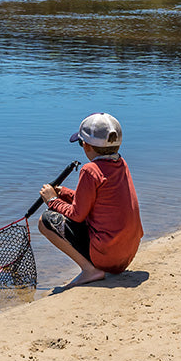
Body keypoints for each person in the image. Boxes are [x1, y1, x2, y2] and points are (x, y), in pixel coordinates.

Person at [38, 112, 143, 288]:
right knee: (70, 213)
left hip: (108, 256)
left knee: (46, 220)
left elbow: (77, 215)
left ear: (86, 146)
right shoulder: (121, 163)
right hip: (126, 254)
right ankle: (95, 266)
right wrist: (63, 192)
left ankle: (90, 270)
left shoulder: (89, 170)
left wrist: (52, 200)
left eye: (80, 143)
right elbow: (96, 200)